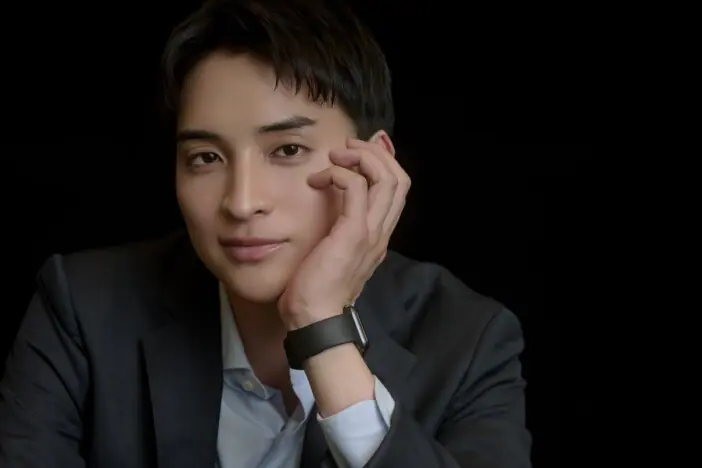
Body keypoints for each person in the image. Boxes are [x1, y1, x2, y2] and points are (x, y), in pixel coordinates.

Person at [0, 0, 531, 466]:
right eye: (206, 158)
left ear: (374, 165)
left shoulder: (468, 341)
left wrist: (322, 329)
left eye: (288, 150)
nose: (242, 201)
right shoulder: (83, 309)